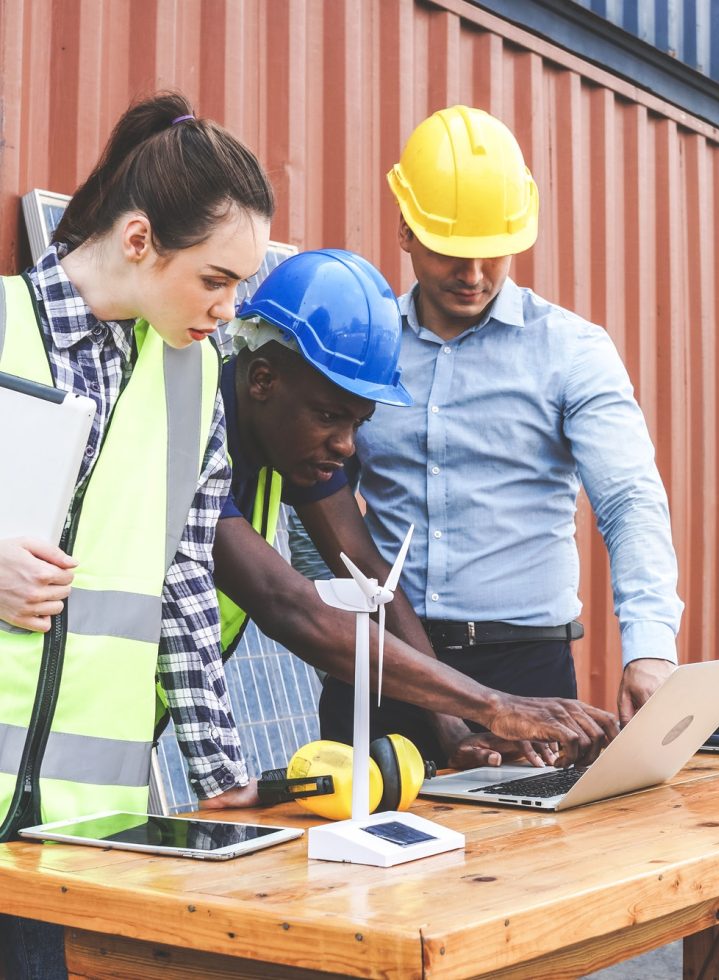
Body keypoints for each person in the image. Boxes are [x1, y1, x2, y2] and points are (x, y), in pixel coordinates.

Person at [312, 105, 684, 765]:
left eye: (494, 252)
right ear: (406, 229)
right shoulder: (363, 347)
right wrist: (333, 632)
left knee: (523, 866)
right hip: (384, 667)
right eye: (452, 252)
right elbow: (316, 499)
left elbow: (629, 502)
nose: (475, 274)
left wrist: (650, 646)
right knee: (353, 863)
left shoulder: (573, 352)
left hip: (526, 672)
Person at [0, 91, 273, 978]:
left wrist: (218, 772)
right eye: (215, 279)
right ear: (137, 241)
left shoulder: (198, 386)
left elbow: (187, 584)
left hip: (83, 838)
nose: (228, 309)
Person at [206, 248, 619, 772]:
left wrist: (450, 731)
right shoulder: (193, 433)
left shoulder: (293, 439)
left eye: (359, 423)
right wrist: (494, 706)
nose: (346, 446)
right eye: (331, 417)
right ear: (263, 380)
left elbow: (367, 571)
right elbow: (288, 605)